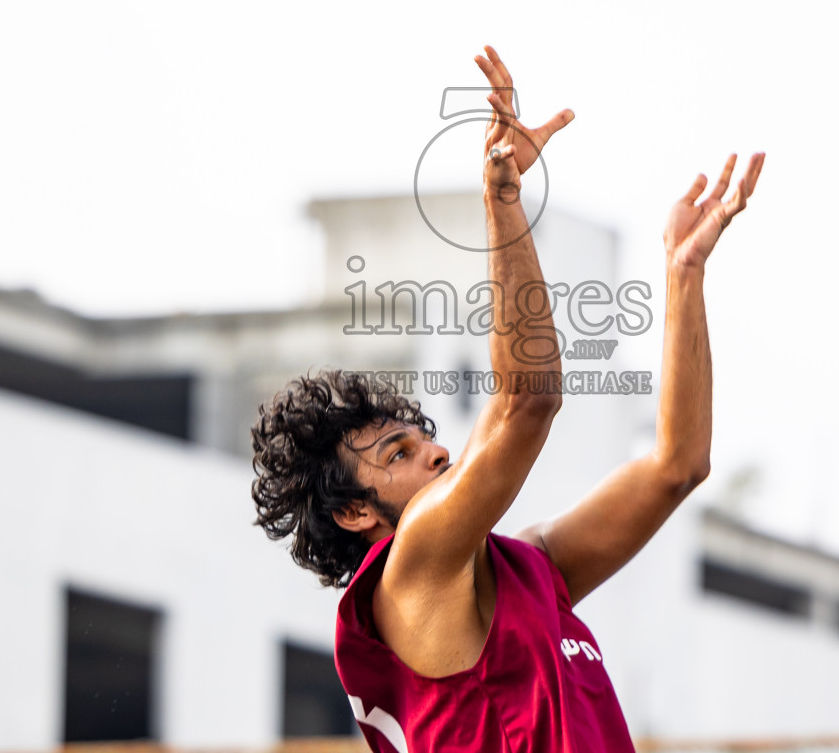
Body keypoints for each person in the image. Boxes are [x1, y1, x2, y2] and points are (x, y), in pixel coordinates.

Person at [251, 46, 763, 751]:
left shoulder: (531, 570)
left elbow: (678, 464)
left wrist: (683, 275)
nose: (435, 450)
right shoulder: (408, 575)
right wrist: (502, 198)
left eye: (420, 435)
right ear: (355, 510)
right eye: (398, 452)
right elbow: (526, 402)